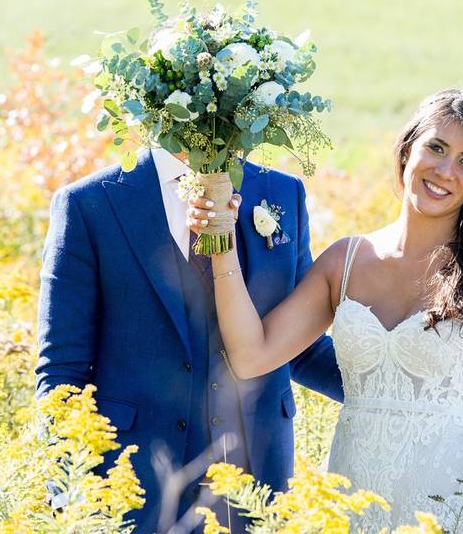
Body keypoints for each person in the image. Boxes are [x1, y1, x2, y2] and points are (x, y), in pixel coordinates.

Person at [187, 89, 463, 532]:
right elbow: (251, 356)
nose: (446, 170)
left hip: (446, 509)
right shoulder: (344, 262)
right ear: (408, 149)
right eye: (436, 147)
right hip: (350, 499)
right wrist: (221, 242)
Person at [35, 147, 343, 533]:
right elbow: (63, 369)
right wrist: (66, 489)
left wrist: (396, 390)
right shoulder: (89, 204)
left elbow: (296, 345)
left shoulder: (281, 192)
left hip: (256, 488)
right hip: (133, 486)